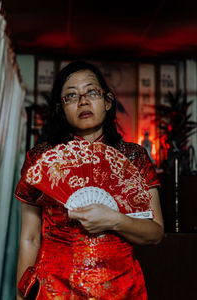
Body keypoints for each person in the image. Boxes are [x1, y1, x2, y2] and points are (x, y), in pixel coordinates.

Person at [15, 61, 164, 300]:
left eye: (91, 92)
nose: (83, 101)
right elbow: (29, 238)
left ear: (107, 102)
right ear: (60, 109)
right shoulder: (40, 158)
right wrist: (21, 295)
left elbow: (155, 233)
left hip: (120, 287)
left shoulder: (133, 157)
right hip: (53, 288)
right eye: (71, 96)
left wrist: (115, 220)